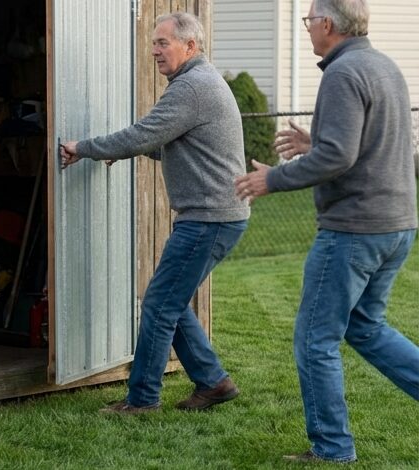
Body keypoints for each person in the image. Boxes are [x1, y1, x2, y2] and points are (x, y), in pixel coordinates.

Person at [235, 0, 419, 463]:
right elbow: (363, 146)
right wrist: (313, 143)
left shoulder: (342, 73)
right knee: (366, 327)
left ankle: (332, 448)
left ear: (328, 24)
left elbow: (339, 158)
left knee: (315, 340)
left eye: (309, 20)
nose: (307, 28)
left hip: (354, 230)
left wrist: (269, 179)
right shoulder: (383, 66)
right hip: (396, 226)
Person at [60, 12, 250, 414]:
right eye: (153, 43)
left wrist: (87, 147)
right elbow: (171, 142)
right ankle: (213, 382)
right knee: (170, 301)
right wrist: (119, 151)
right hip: (218, 214)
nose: (154, 51)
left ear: (190, 46)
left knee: (159, 303)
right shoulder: (200, 82)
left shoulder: (192, 87)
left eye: (163, 43)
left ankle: (142, 399)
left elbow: (144, 134)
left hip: (209, 217)